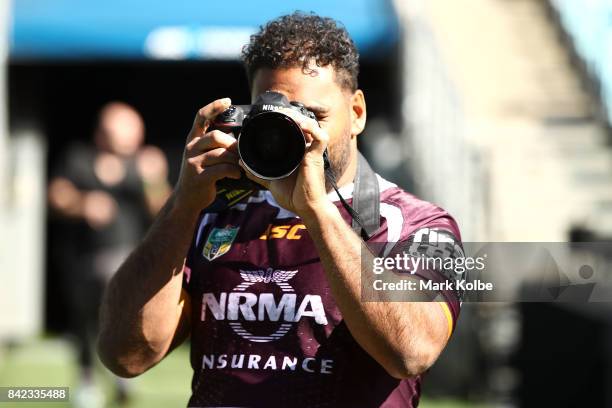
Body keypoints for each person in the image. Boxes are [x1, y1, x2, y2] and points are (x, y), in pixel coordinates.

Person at [97, 13, 462, 407]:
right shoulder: (212, 213)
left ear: (357, 113)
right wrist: (182, 204)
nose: (299, 136)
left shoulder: (420, 224)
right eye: (276, 120)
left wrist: (318, 212)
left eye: (314, 117)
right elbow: (126, 354)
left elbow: (411, 351)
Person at [48, 102, 170, 407]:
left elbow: (163, 211)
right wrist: (83, 203)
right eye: (116, 129)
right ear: (102, 132)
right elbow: (56, 195)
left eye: (130, 129)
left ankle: (120, 375)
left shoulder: (145, 163)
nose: (123, 137)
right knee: (84, 322)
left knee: (118, 317)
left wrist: (152, 179)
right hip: (82, 258)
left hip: (127, 257)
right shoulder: (80, 158)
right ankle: (87, 379)